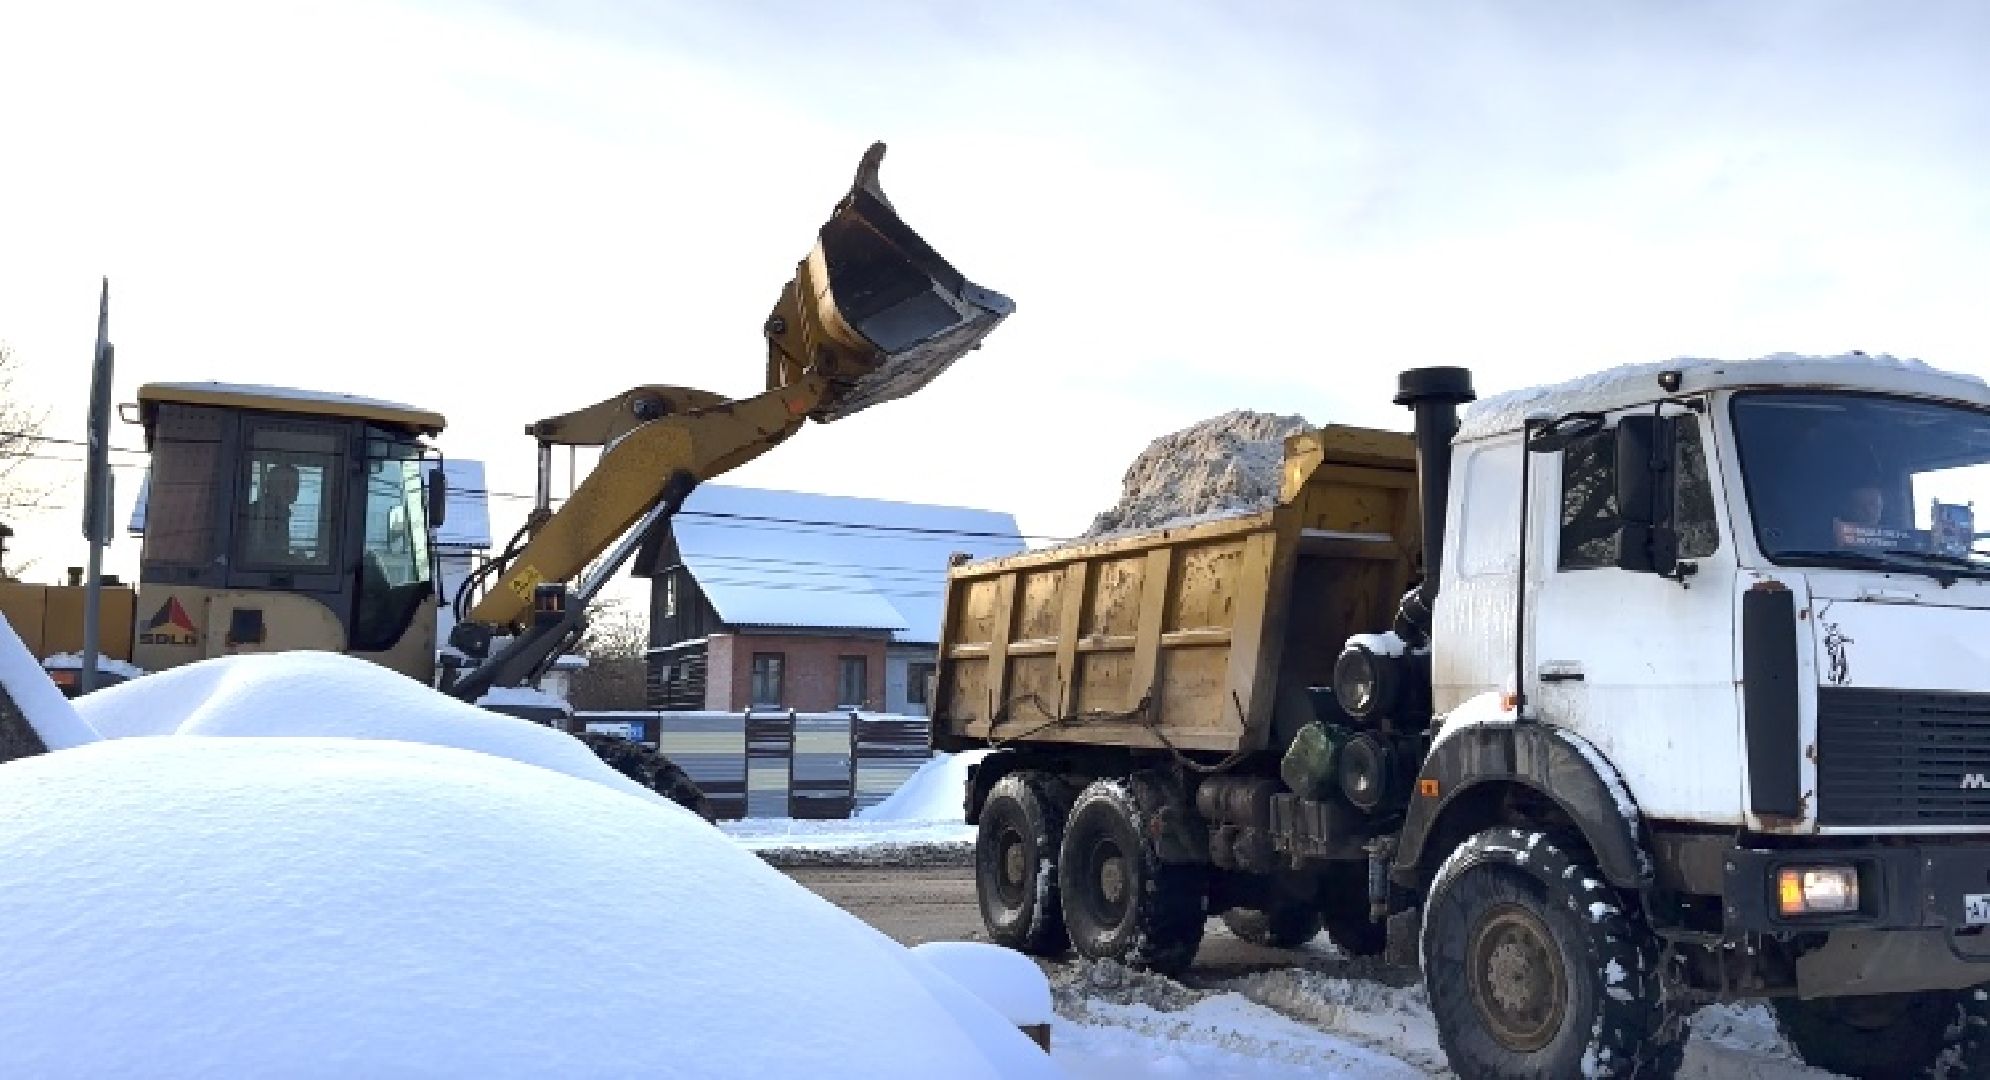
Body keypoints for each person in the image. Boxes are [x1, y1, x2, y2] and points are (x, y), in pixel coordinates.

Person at [244, 462, 300, 563]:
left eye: (295, 485)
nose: (291, 490)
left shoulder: (282, 514)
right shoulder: (258, 514)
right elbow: (260, 556)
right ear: (269, 486)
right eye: (285, 484)